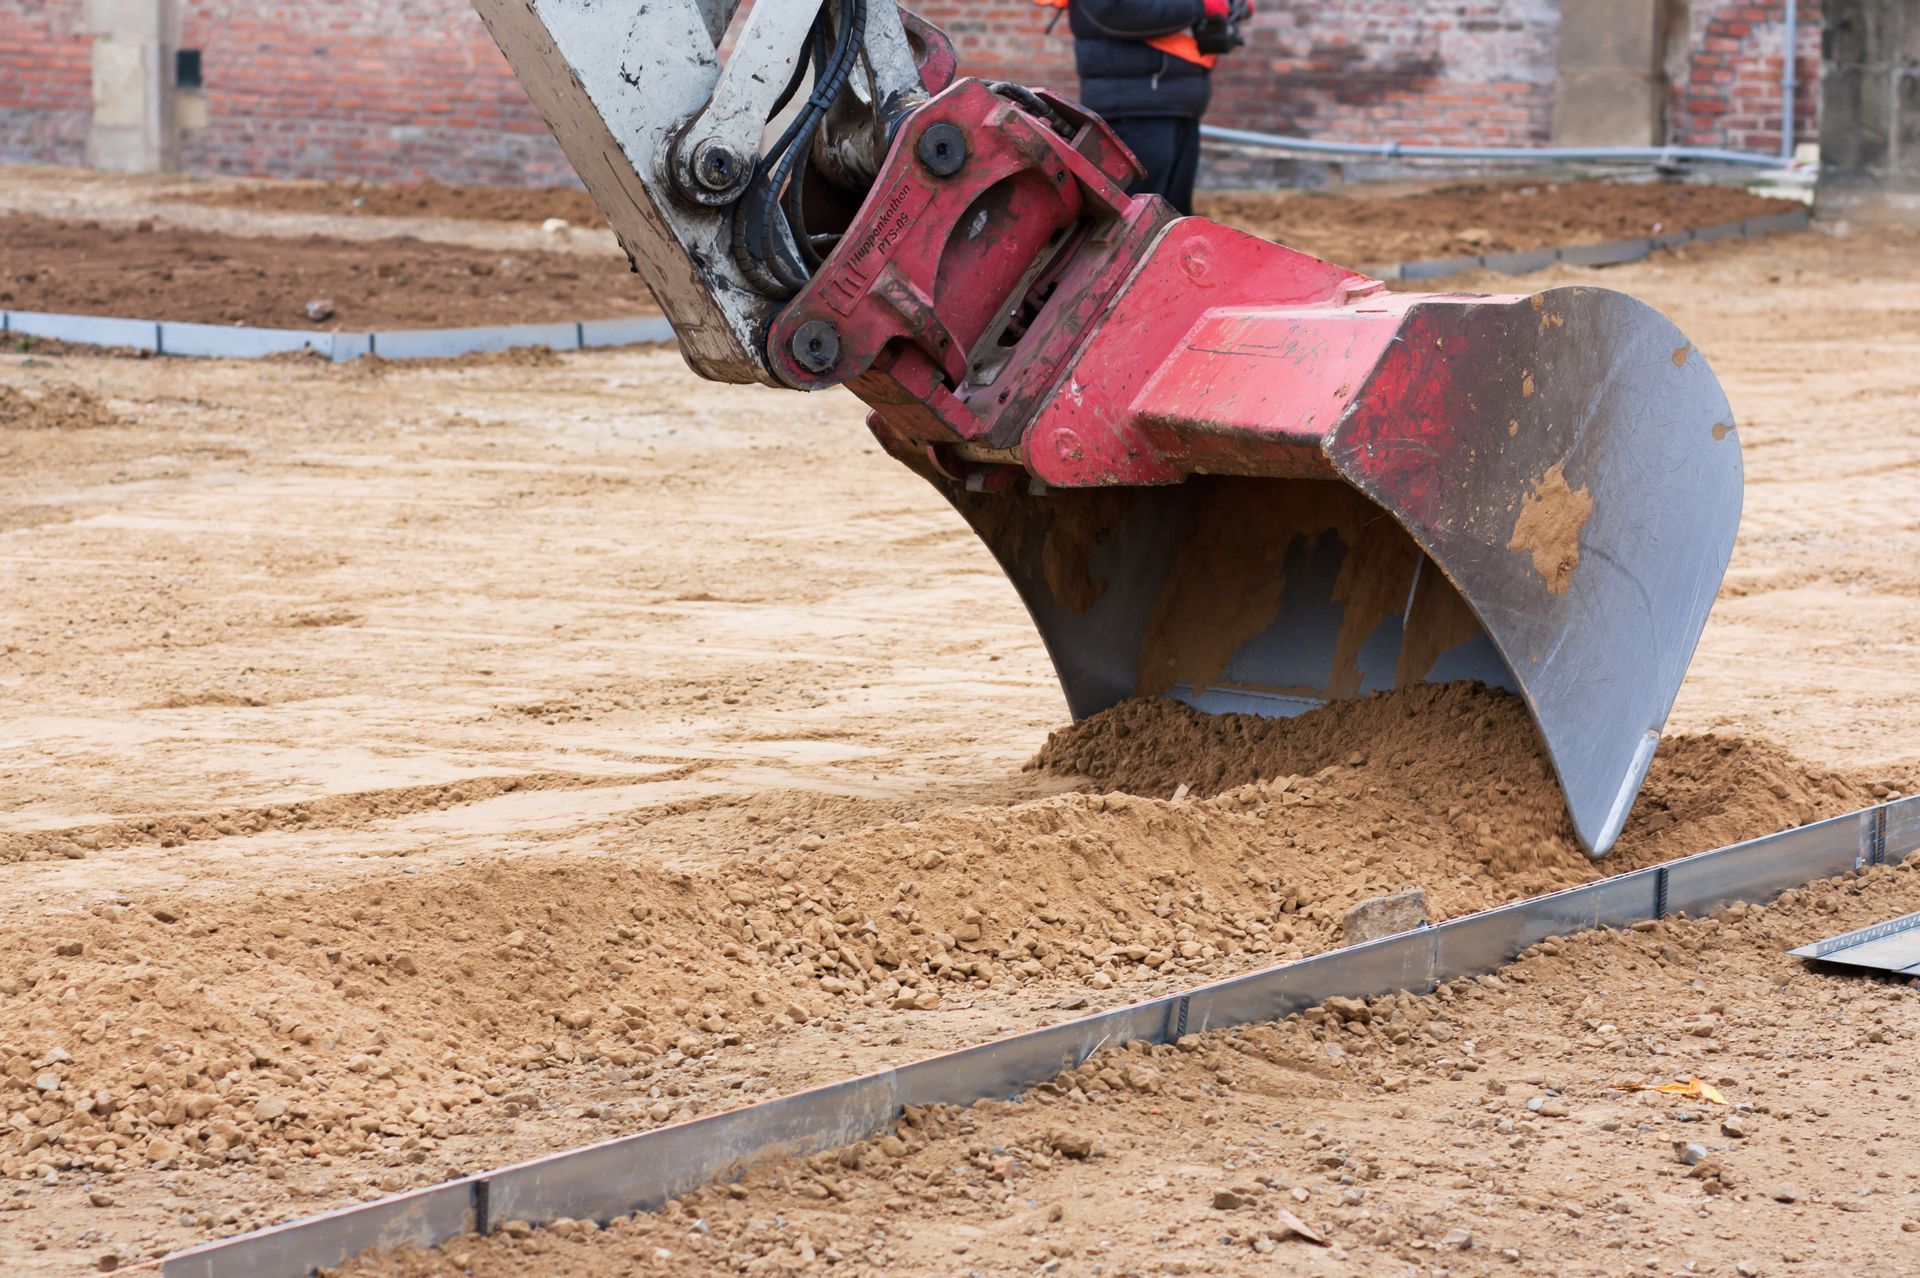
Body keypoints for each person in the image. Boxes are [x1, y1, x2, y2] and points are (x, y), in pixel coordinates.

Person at [1037, 0, 1252, 215]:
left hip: (1176, 105)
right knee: (1134, 217)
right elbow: (1115, 11)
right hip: (1136, 109)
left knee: (1173, 215)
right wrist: (1200, 6)